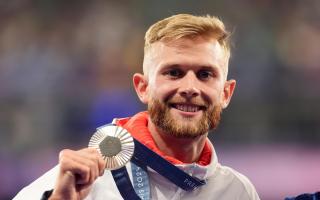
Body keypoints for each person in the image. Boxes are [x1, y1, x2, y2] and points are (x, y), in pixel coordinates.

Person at [14, 14, 260, 200]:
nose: (190, 87)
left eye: (205, 74)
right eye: (174, 73)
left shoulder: (239, 191)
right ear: (143, 87)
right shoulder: (79, 182)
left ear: (226, 93)